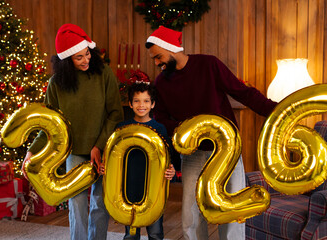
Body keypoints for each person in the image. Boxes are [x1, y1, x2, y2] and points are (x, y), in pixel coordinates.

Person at [145, 26, 278, 240]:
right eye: (154, 58)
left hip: (226, 152)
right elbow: (160, 118)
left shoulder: (209, 64)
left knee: (231, 211)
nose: (156, 62)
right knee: (191, 216)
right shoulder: (161, 82)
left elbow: (242, 92)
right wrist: (186, 129)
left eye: (158, 56)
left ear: (171, 49)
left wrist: (276, 111)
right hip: (192, 156)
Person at [23, 23, 124, 240]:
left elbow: (115, 114)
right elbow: (49, 124)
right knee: (76, 203)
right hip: (74, 151)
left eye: (87, 54)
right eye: (79, 57)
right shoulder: (56, 84)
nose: (86, 59)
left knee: (100, 201)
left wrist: (99, 146)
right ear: (67, 61)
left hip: (103, 148)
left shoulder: (104, 73)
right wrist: (31, 152)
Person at [101, 82, 175, 240]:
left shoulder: (159, 129)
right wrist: (105, 168)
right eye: (137, 101)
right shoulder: (121, 127)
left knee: (155, 232)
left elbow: (168, 157)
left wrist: (171, 171)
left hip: (153, 190)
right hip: (128, 188)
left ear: (153, 104)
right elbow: (113, 156)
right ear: (130, 104)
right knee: (131, 233)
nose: (141, 105)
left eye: (146, 101)